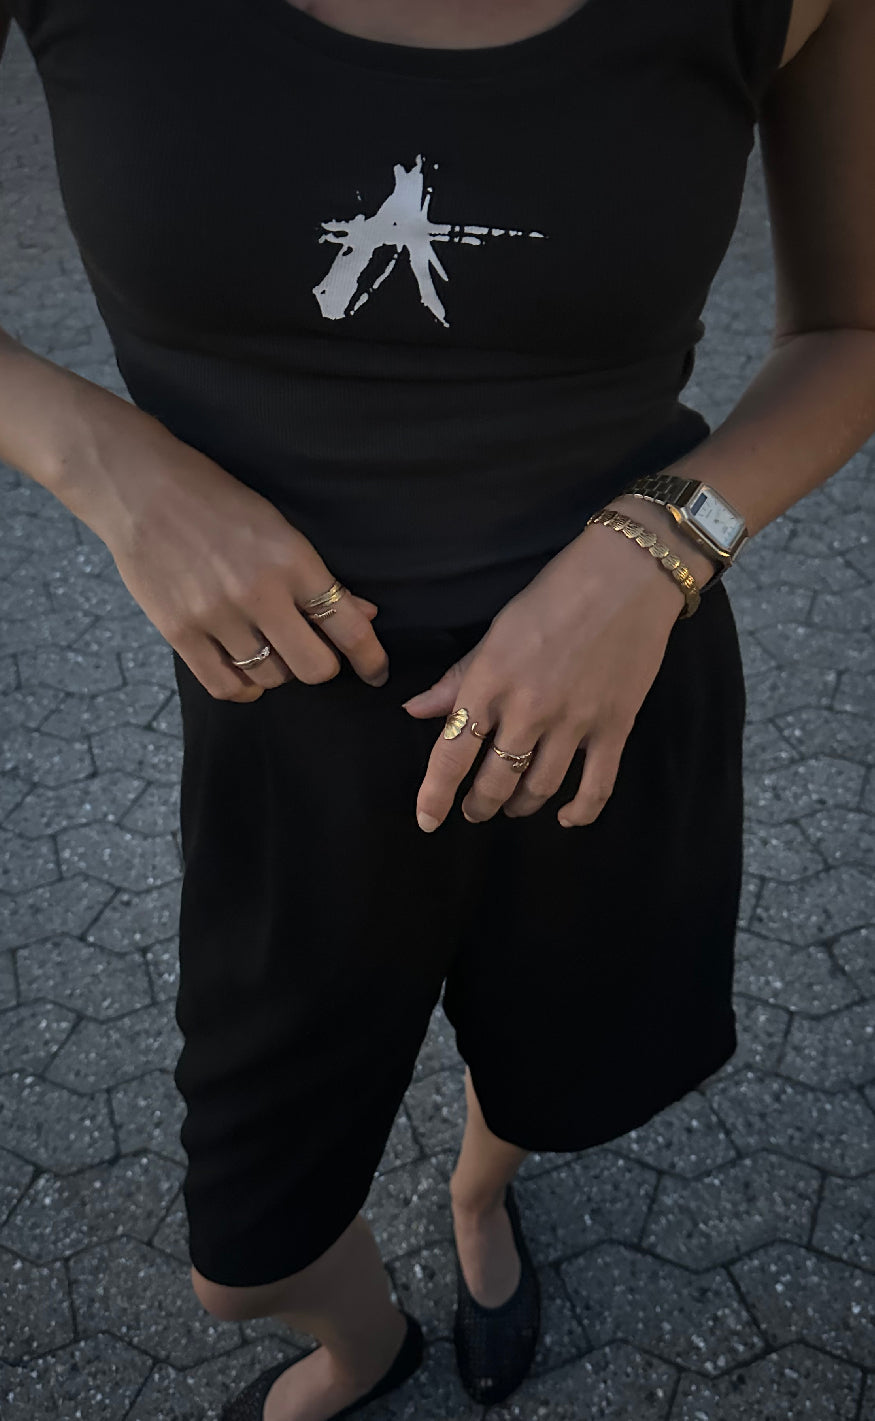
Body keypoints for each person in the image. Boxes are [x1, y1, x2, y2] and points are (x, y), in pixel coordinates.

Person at [1, 0, 873, 1417]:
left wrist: (664, 541)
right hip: (278, 728)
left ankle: (478, 1196)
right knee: (245, 1254)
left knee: (541, 1078)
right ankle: (365, 1342)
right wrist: (106, 466)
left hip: (603, 695)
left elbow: (850, 328)